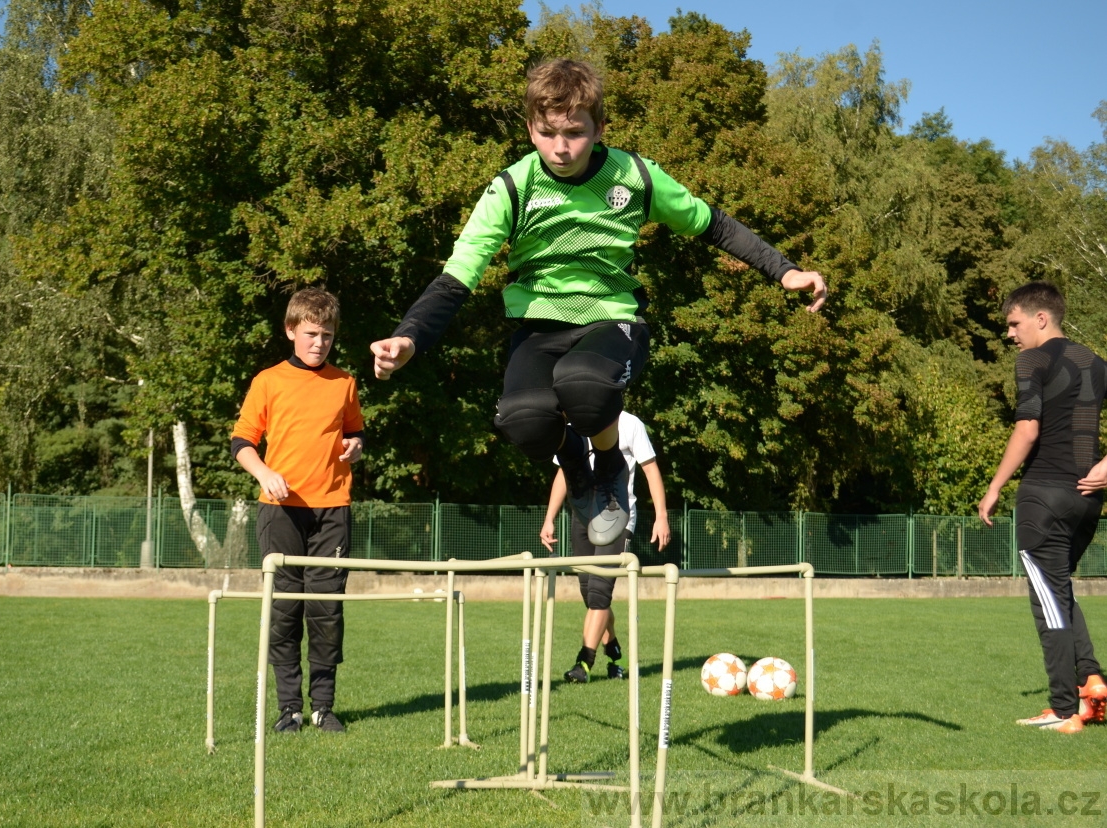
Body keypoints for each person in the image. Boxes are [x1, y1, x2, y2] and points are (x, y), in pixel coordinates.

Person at [370, 59, 826, 549]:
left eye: (575, 133)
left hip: (611, 318)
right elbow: (458, 275)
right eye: (547, 133)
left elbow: (712, 223)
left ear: (599, 128)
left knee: (582, 383)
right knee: (522, 420)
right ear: (530, 127)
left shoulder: (634, 176)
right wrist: (410, 335)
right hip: (538, 325)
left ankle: (609, 466)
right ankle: (579, 473)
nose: (560, 148)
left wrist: (785, 270)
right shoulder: (512, 187)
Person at [232, 287, 364, 734]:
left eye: (326, 335)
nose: (318, 343)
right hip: (280, 510)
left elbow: (356, 435)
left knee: (325, 611)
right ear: (291, 331)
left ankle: (323, 706)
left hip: (333, 510)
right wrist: (264, 473)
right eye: (310, 333)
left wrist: (356, 447)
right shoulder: (267, 381)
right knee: (284, 609)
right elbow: (242, 443)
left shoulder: (344, 382)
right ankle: (288, 707)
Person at [978, 281, 1107, 734]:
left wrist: (995, 486)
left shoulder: (1032, 359)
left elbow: (1027, 430)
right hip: (1088, 499)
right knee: (1060, 592)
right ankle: (1091, 682)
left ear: (1040, 317)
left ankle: (1062, 709)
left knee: (1047, 603)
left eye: (1013, 324)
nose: (1010, 334)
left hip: (1044, 496)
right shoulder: (1094, 361)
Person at [539, 410, 670, 682]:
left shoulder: (630, 424)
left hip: (617, 517)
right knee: (591, 595)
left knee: (599, 593)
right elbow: (564, 473)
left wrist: (661, 517)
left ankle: (584, 663)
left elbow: (650, 469)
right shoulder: (574, 426)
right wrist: (549, 518)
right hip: (583, 517)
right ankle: (614, 650)